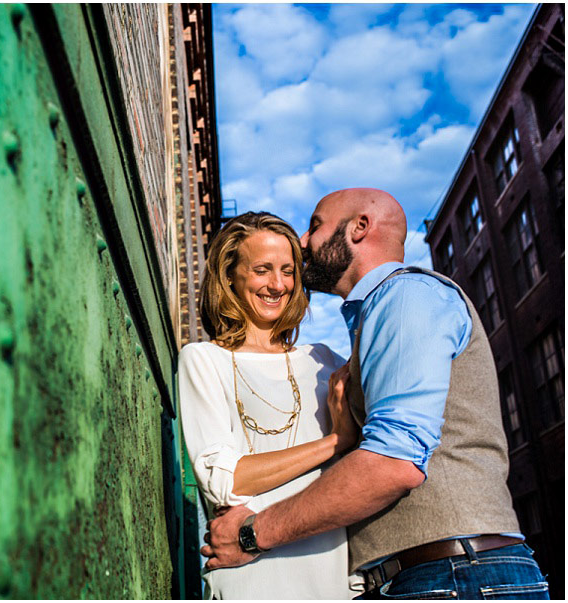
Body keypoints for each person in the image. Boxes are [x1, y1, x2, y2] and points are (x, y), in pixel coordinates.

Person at [202, 188, 549, 599]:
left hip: (455, 575)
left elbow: (392, 463)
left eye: (315, 226)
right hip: (431, 575)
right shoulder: (377, 318)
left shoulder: (406, 298)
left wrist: (252, 535)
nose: (302, 243)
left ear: (359, 228)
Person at [179, 212, 359, 599]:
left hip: (332, 582)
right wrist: (333, 443)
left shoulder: (324, 361)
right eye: (262, 270)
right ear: (230, 276)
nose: (278, 285)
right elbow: (225, 481)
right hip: (249, 581)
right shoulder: (202, 360)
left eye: (288, 270)